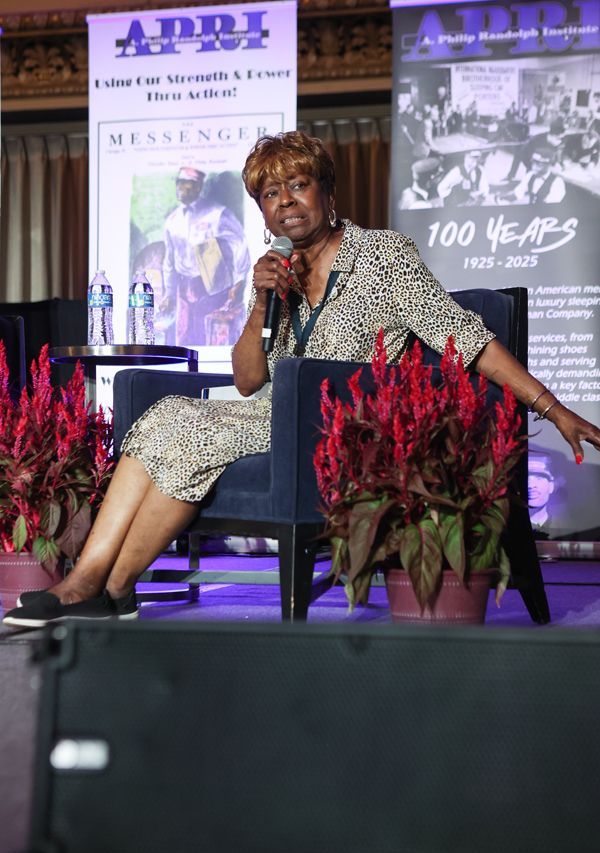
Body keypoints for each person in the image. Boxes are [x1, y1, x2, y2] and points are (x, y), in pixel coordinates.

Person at [4, 130, 600, 629]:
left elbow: (465, 337)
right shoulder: (275, 272)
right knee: (166, 415)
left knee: (188, 429)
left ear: (327, 192)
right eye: (270, 194)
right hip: (272, 412)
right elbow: (247, 381)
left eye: (298, 185)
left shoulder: (383, 257)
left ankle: (105, 586)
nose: (285, 201)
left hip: (343, 423)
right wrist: (263, 302)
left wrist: (553, 408)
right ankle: (96, 582)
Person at [159, 166, 250, 346]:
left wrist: (239, 281)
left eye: (187, 184)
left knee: (209, 335)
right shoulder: (172, 221)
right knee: (184, 337)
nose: (181, 188)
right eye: (179, 183)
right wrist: (169, 292)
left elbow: (240, 243)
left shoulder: (217, 214)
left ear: (198, 187)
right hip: (184, 288)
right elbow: (169, 259)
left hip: (212, 287)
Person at [498, 149, 566, 205]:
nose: (534, 166)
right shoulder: (530, 175)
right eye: (533, 161)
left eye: (539, 163)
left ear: (549, 164)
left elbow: (552, 206)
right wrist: (504, 198)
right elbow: (518, 193)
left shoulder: (557, 182)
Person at [528, 453, 557, 539]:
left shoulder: (565, 527)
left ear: (551, 486)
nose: (531, 485)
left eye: (539, 478)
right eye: (527, 478)